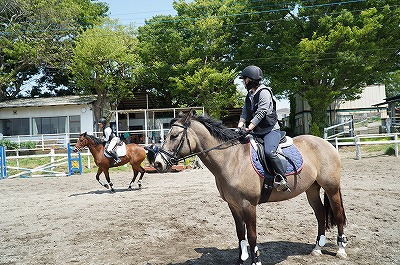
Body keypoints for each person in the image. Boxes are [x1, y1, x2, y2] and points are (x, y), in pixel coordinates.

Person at [236, 65, 290, 192]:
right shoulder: (249, 95)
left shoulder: (264, 92)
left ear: (250, 79)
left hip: (271, 130)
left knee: (269, 152)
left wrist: (248, 128)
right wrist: (239, 127)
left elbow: (261, 112)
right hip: (257, 132)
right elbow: (244, 113)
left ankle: (282, 178)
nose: (243, 82)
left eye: (244, 79)